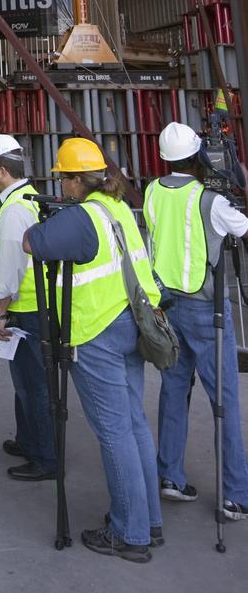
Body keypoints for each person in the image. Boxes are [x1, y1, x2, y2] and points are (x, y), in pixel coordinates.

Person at [23, 137, 162, 562]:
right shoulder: (118, 208)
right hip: (132, 325)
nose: (62, 188)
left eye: (64, 179)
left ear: (76, 179)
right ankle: (148, 520)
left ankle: (130, 533)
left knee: (114, 431)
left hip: (97, 330)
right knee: (135, 424)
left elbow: (33, 242)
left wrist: (41, 220)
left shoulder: (83, 218)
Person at [143, 120, 248, 521]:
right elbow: (243, 226)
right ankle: (236, 492)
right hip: (206, 309)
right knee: (224, 399)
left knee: (173, 391)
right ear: (200, 158)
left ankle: (170, 474)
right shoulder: (210, 201)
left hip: (166, 307)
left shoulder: (152, 193)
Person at [0, 133, 56, 482]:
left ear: (2, 170)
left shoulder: (15, 209)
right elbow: (17, 244)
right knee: (26, 383)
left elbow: (12, 267)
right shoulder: (28, 200)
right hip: (35, 306)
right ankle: (28, 440)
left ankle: (44, 457)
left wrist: (0, 313)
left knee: (33, 385)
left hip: (26, 310)